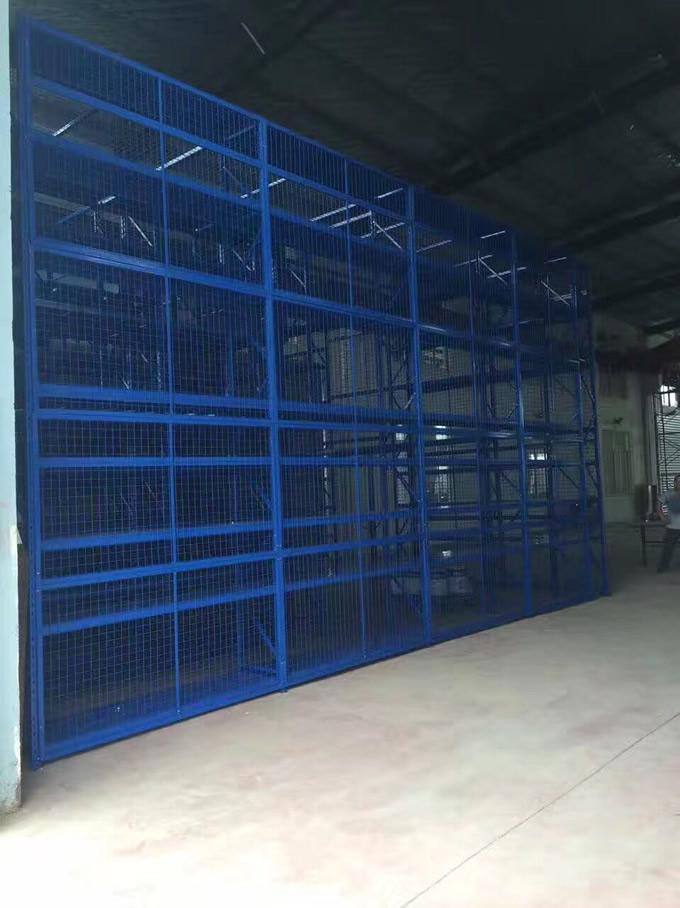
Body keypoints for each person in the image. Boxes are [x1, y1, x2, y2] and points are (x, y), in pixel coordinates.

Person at [657, 473, 680, 572]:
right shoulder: (668, 494)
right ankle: (663, 566)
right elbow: (658, 506)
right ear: (674, 483)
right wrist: (662, 517)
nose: (679, 484)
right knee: (668, 549)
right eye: (677, 481)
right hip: (672, 527)